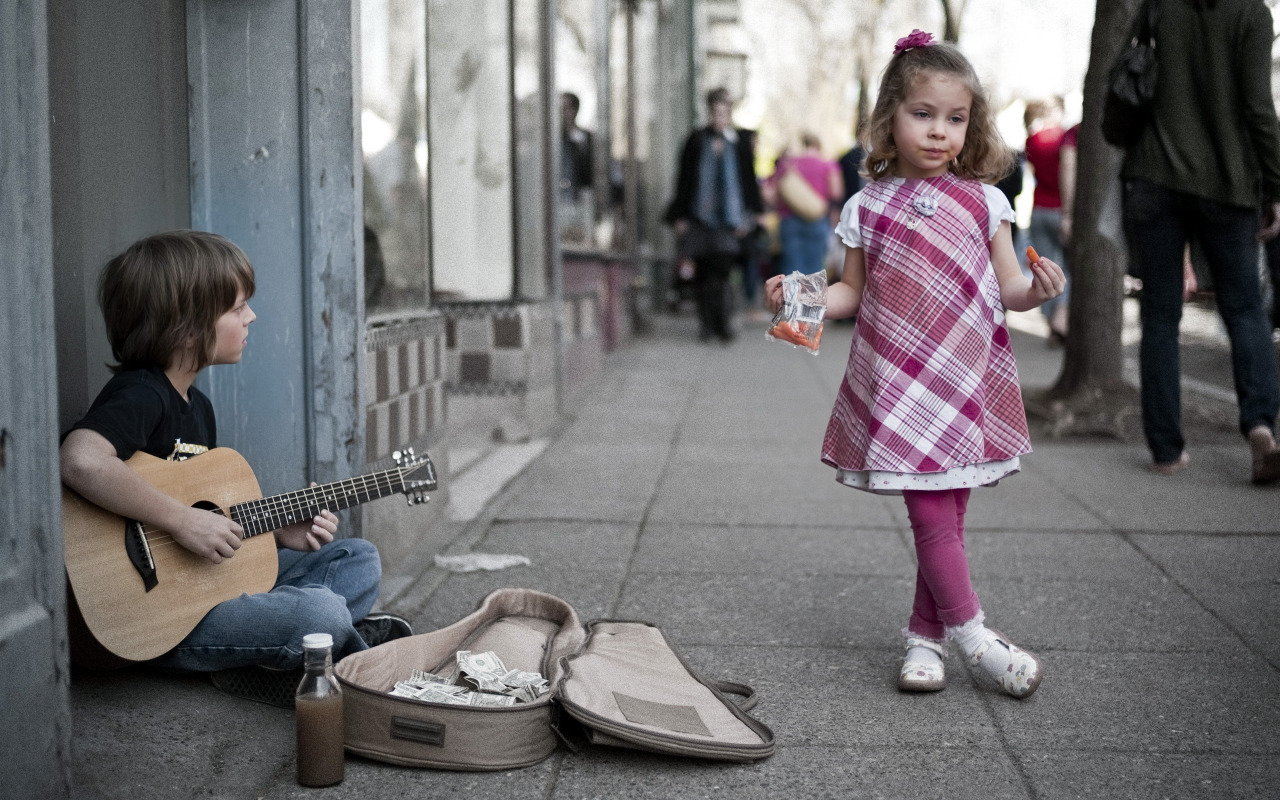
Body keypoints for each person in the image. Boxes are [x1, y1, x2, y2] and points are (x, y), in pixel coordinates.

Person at [766, 30, 1066, 698]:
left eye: (954, 119)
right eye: (922, 114)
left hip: (966, 377)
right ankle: (975, 638)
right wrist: (799, 299)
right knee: (931, 515)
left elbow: (1012, 288)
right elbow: (851, 291)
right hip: (899, 380)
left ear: (972, 124)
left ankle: (923, 638)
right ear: (889, 119)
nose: (938, 132)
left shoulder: (988, 203)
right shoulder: (866, 206)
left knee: (946, 519)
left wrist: (1039, 294)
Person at [60, 230, 412, 701]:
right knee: (321, 613)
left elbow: (210, 531)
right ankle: (340, 653)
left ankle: (268, 656)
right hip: (158, 620)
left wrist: (276, 534)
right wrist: (180, 519)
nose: (252, 317)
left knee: (358, 559)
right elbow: (80, 459)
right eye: (237, 307)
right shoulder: (141, 394)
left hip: (202, 592)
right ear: (187, 326)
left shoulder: (198, 407)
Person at [1119, 0, 1280, 483]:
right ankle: (1260, 429)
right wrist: (1275, 186)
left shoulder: (1159, 5)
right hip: (1228, 183)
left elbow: (1132, 69)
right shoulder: (1251, 13)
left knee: (1161, 315)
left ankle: (1166, 450)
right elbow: (1258, 107)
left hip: (1154, 177)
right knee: (1245, 310)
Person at [664, 87, 764, 342]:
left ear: (729, 114)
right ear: (709, 112)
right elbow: (684, 180)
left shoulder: (739, 143)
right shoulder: (696, 140)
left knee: (722, 269)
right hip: (700, 218)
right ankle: (707, 324)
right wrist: (680, 216)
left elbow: (748, 181)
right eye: (715, 112)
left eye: (724, 112)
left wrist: (751, 215)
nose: (719, 117)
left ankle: (723, 322)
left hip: (729, 220)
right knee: (703, 272)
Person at [1024, 96, 1070, 345]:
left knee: (1041, 265)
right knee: (1065, 268)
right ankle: (1060, 319)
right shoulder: (1065, 139)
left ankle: (1051, 321)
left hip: (1038, 209)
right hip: (1061, 210)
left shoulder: (1032, 140)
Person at [768, 131, 844, 276]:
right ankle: (810, 299)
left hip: (789, 220)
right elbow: (836, 192)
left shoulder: (788, 165)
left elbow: (775, 194)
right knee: (814, 271)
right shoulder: (828, 165)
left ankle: (791, 298)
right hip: (816, 220)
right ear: (817, 146)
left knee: (790, 271)